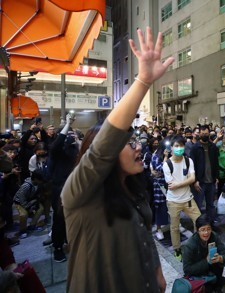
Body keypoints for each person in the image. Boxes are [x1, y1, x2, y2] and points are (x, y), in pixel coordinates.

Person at [60, 27, 172, 292]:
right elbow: (102, 148)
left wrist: (157, 274)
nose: (139, 149)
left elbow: (144, 236)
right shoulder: (80, 195)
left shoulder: (133, 190)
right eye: (129, 144)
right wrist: (143, 82)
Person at [45, 114, 80, 262]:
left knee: (72, 219)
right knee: (59, 219)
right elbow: (57, 143)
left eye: (72, 134)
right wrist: (67, 124)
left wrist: (78, 141)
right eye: (68, 134)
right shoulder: (56, 151)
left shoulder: (73, 150)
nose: (70, 137)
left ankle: (68, 241)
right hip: (59, 189)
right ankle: (57, 247)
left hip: (74, 188)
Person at [163, 136, 201, 261]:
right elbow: (171, 186)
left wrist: (179, 183)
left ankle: (197, 245)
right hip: (173, 201)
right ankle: (177, 249)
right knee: (174, 227)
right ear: (171, 148)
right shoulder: (167, 165)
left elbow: (192, 179)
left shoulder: (188, 161)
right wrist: (187, 180)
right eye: (176, 146)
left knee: (199, 221)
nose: (179, 148)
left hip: (188, 199)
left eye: (181, 146)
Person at [182, 215, 225, 293]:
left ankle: (217, 283)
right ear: (198, 231)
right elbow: (187, 270)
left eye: (208, 229)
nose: (206, 233)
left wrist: (220, 258)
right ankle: (213, 283)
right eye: (203, 230)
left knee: (218, 262)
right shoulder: (190, 245)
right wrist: (206, 261)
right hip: (198, 273)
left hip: (211, 269)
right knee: (206, 289)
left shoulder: (214, 236)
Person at [13, 169, 45, 239]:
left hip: (31, 200)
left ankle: (32, 225)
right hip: (20, 202)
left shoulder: (38, 184)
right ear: (36, 179)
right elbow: (21, 198)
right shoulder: (26, 185)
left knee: (41, 208)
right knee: (24, 214)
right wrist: (28, 208)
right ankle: (23, 231)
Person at [150, 138, 170, 241]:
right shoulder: (156, 155)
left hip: (169, 183)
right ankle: (158, 229)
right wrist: (166, 157)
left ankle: (172, 224)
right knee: (160, 206)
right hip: (160, 185)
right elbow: (159, 168)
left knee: (171, 206)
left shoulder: (172, 155)